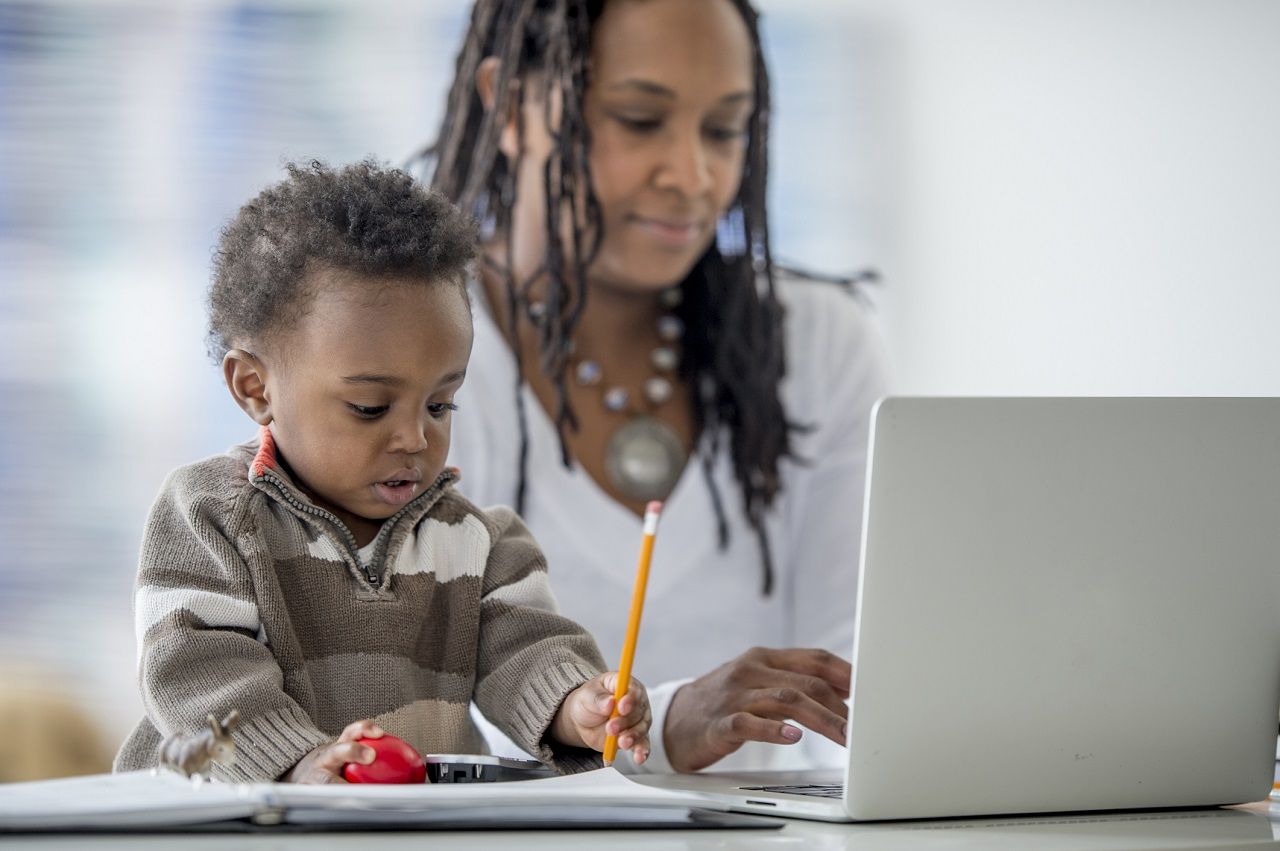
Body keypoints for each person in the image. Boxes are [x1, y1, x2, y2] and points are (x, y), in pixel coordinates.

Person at [420, 0, 890, 773]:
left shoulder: (818, 345)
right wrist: (668, 724)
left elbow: (858, 701)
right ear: (508, 105)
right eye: (639, 120)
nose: (693, 176)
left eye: (725, 129)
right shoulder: (415, 357)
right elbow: (410, 726)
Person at [113, 160, 651, 783]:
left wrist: (576, 706)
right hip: (217, 824)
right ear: (255, 387)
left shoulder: (479, 543)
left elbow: (528, 651)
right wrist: (299, 762)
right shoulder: (211, 514)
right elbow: (199, 672)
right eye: (370, 408)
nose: (415, 437)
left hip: (398, 828)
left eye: (440, 404)